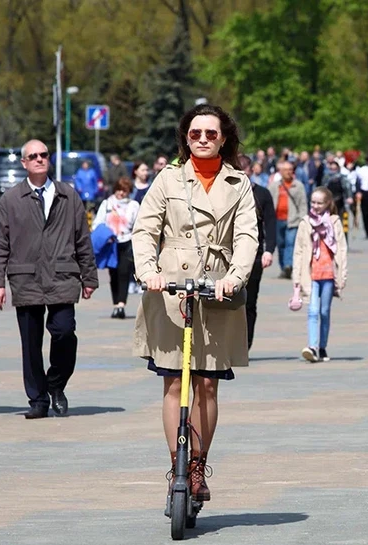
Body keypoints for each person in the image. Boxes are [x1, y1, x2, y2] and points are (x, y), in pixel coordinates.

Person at [131, 103, 257, 506]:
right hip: (171, 288)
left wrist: (235, 278)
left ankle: (198, 467)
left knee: (206, 384)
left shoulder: (239, 184)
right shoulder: (168, 179)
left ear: (224, 138)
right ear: (185, 137)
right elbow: (145, 228)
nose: (202, 139)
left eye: (211, 133)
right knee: (174, 381)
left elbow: (247, 237)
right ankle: (177, 467)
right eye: (195, 133)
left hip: (216, 287)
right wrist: (148, 271)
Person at [0, 139, 99, 419]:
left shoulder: (67, 195)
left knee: (64, 332)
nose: (39, 159)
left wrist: (89, 276)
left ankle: (56, 384)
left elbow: (82, 238)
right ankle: (37, 399)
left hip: (62, 275)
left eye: (43, 155)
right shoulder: (11, 199)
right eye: (32, 156)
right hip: (25, 277)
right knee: (31, 343)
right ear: (23, 163)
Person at [292, 186, 348, 362]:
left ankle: (322, 347)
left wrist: (343, 275)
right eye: (313, 202)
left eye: (319, 203)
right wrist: (296, 278)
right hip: (311, 274)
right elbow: (299, 251)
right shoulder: (305, 223)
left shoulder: (335, 222)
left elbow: (342, 250)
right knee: (313, 311)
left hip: (329, 273)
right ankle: (312, 347)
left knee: (324, 312)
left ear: (327, 203)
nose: (315, 206)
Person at [239, 154, 276, 349]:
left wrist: (269, 251)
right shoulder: (225, 194)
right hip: (227, 255)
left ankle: (245, 344)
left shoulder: (262, 194)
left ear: (251, 172)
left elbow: (271, 224)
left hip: (254, 255)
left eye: (244, 173)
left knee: (249, 301)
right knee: (227, 301)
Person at [92, 176, 140, 319]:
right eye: (119, 190)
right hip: (111, 243)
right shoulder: (107, 204)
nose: (121, 193)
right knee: (113, 275)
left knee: (124, 273)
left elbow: (138, 225)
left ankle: (121, 305)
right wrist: (106, 235)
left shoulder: (134, 205)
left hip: (127, 241)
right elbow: (97, 223)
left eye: (124, 191)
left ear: (129, 191)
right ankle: (115, 305)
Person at [269, 160, 307, 278]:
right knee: (280, 245)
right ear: (280, 172)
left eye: (290, 170)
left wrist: (303, 219)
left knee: (290, 244)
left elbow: (303, 204)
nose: (289, 172)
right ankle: (283, 268)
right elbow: (268, 202)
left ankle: (288, 265)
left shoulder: (298, 185)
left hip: (293, 220)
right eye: (286, 170)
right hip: (277, 220)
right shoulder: (274, 186)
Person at [321, 160, 354, 238]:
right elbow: (323, 189)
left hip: (341, 203)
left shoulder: (343, 177)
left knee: (343, 223)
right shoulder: (326, 178)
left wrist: (349, 197)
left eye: (335, 169)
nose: (333, 170)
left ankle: (344, 240)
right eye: (331, 169)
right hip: (329, 203)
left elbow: (348, 188)